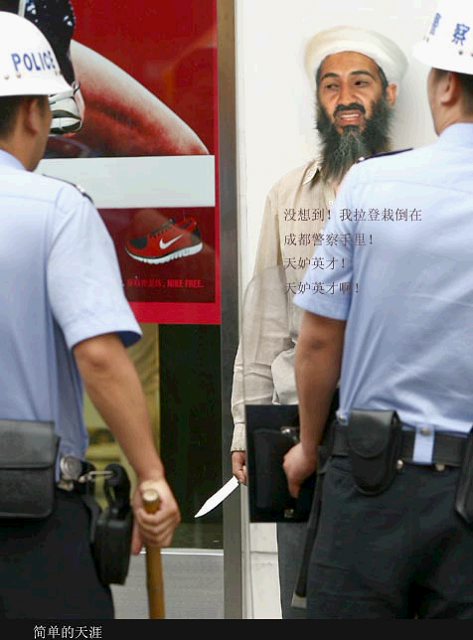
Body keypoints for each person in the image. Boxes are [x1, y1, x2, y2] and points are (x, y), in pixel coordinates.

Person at [285, 0, 473, 619]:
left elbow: (318, 341)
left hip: (370, 478)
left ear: (444, 86)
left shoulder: (370, 184)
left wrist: (308, 445)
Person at [0, 11, 180, 619]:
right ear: (35, 113)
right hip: (28, 518)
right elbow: (99, 355)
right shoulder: (57, 210)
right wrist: (150, 475)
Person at [230, 25, 408, 618]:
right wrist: (245, 427)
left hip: (395, 434)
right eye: (331, 86)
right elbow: (265, 323)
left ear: (389, 95)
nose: (346, 98)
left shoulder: (419, 192)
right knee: (304, 600)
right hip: (299, 435)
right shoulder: (289, 195)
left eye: (360, 83)